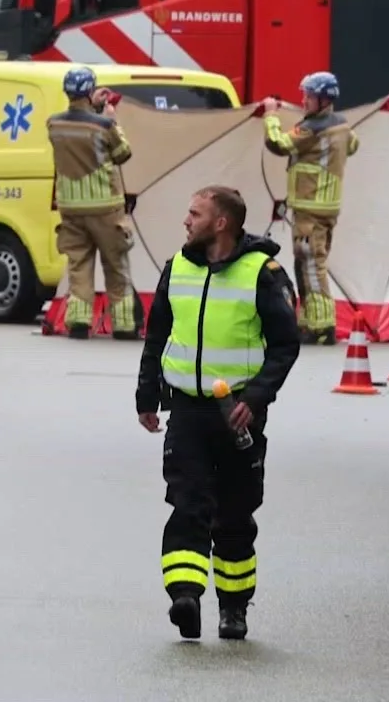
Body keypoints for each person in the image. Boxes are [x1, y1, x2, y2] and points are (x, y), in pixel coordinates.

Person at [136, 185, 301, 642]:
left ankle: (233, 608)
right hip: (187, 408)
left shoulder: (262, 273)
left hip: (238, 413)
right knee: (186, 503)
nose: (186, 221)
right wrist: (146, 396)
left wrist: (258, 398)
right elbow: (157, 337)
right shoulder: (178, 267)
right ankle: (185, 596)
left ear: (221, 223)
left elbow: (285, 345)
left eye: (194, 214)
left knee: (233, 515)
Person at [262, 71, 359, 346]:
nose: (303, 100)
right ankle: (309, 320)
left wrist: (270, 115)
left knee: (311, 265)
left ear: (324, 99)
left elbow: (278, 144)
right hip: (327, 207)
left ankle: (321, 326)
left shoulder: (312, 128)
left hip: (310, 207)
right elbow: (353, 145)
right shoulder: (342, 126)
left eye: (309, 96)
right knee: (308, 262)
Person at [47, 66, 138, 340]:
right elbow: (123, 153)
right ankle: (123, 326)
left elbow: (79, 127)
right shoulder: (105, 125)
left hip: (71, 207)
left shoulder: (53, 124)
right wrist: (109, 116)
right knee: (115, 264)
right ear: (89, 91)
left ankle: (78, 323)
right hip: (105, 207)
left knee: (79, 265)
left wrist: (92, 107)